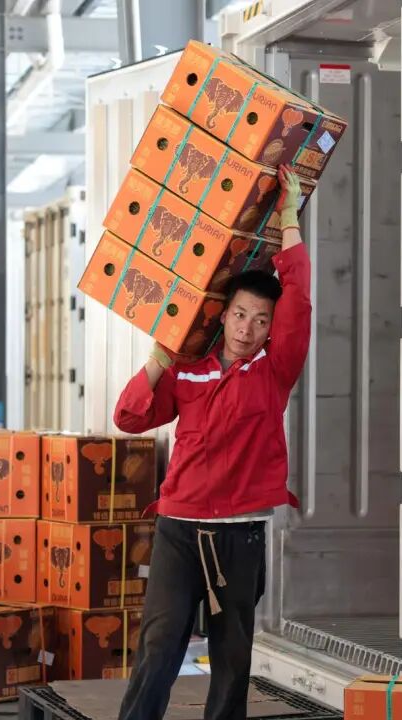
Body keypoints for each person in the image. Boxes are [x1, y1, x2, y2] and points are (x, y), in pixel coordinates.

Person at [115, 165, 310, 720]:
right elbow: (129, 417)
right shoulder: (187, 372)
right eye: (240, 314)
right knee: (159, 647)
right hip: (178, 530)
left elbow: (299, 298)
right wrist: (157, 360)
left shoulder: (274, 372)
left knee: (231, 657)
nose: (247, 328)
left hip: (239, 535)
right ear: (224, 315)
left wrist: (289, 218)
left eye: (260, 320)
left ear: (271, 328)